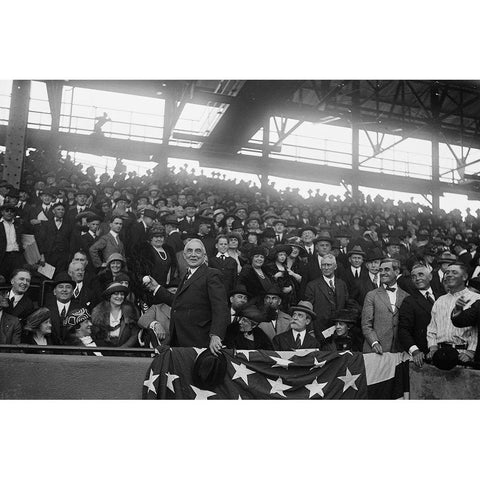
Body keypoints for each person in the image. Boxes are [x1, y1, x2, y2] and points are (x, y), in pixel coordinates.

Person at [148, 239, 229, 355]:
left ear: (204, 256)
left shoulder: (212, 274)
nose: (193, 255)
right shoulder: (187, 276)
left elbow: (220, 307)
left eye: (198, 251)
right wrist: (157, 288)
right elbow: (179, 302)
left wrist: (216, 335)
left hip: (199, 340)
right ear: (184, 256)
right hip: (180, 340)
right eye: (190, 251)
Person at [426, 262, 480, 364]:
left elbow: (476, 330)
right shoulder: (440, 300)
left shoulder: (476, 299)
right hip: (441, 355)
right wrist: (433, 348)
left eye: (454, 272)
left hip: (464, 356)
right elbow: (432, 328)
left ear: (464, 277)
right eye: (447, 273)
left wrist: (470, 352)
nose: (449, 275)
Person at [398, 263, 443, 367]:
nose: (417, 278)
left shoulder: (442, 297)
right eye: (413, 277)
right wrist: (415, 351)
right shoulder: (409, 301)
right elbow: (403, 330)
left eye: (421, 274)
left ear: (430, 277)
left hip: (444, 352)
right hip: (423, 355)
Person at [361, 258, 409, 354]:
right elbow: (366, 324)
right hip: (375, 351)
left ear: (396, 272)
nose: (382, 273)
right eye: (381, 270)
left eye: (386, 269)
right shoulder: (372, 295)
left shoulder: (406, 296)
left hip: (398, 352)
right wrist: (374, 343)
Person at [304, 253, 355, 341]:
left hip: (339, 331)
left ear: (335, 267)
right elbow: (308, 311)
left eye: (329, 265)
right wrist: (311, 331)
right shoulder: (312, 285)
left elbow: (346, 306)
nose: (326, 268)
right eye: (323, 265)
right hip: (319, 330)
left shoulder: (342, 284)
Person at [91, 282, 139, 348]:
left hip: (126, 352)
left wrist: (123, 348)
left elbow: (134, 335)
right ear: (109, 296)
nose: (119, 297)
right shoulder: (98, 312)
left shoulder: (131, 311)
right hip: (104, 351)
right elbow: (95, 334)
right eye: (116, 294)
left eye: (122, 294)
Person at [36, 202, 73, 273]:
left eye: (62, 210)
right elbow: (41, 241)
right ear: (53, 211)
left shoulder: (69, 225)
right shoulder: (46, 224)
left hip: (63, 257)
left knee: (60, 276)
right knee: (47, 276)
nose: (61, 211)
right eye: (58, 209)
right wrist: (42, 256)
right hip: (49, 255)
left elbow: (71, 241)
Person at [45, 272, 80, 345]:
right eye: (60, 287)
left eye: (68, 287)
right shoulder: (45, 310)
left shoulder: (81, 310)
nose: (64, 290)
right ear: (54, 291)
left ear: (73, 291)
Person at [0, 203, 26, 281]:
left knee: (16, 280)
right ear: (2, 212)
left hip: (16, 257)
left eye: (11, 211)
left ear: (14, 213)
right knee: (2, 281)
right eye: (7, 211)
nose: (9, 213)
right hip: (3, 257)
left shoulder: (18, 224)